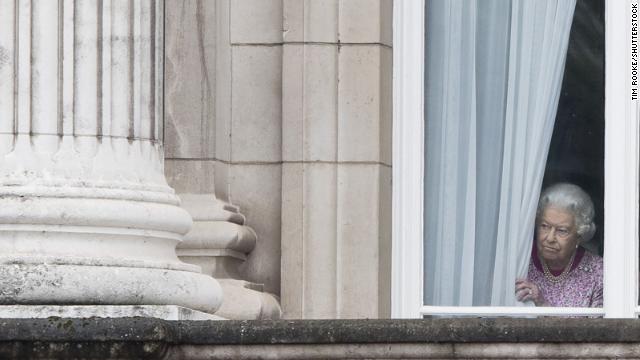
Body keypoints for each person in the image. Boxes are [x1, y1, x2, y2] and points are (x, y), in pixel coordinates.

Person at [515, 183, 603, 307]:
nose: (550, 238)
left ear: (579, 235)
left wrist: (542, 304)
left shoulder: (597, 272)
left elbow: (600, 326)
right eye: (544, 226)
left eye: (562, 230)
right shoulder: (519, 260)